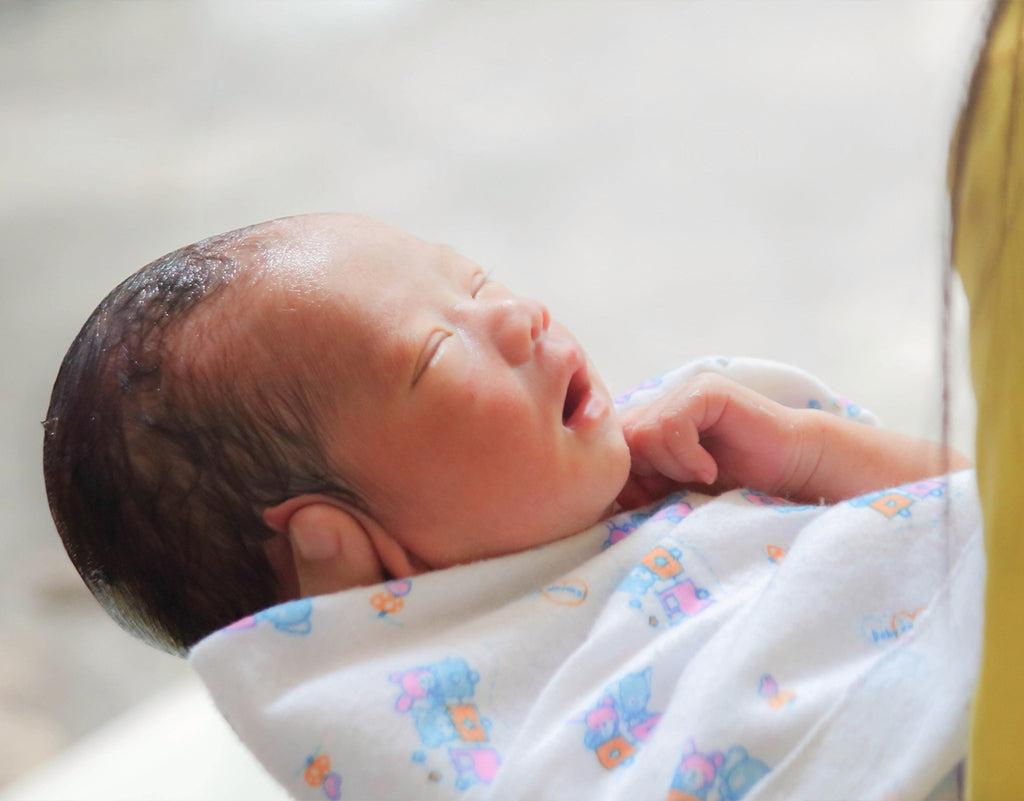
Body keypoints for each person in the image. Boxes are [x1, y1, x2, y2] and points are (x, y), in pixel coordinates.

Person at [45, 214, 981, 799]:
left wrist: (816, 452)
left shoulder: (709, 440)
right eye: (438, 353)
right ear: (346, 558)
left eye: (477, 280)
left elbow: (985, 505)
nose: (519, 315)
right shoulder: (451, 731)